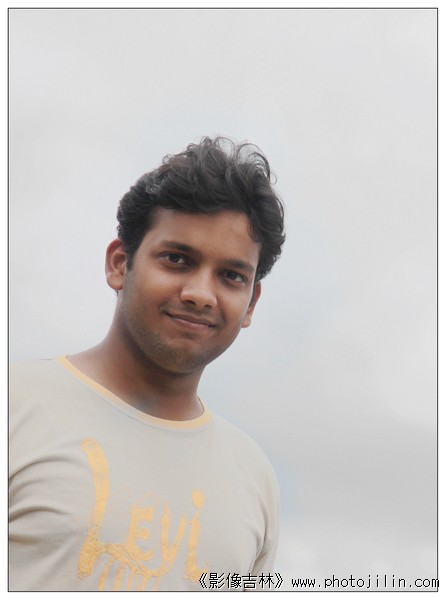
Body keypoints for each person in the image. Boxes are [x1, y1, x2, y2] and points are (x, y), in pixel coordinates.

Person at [9, 136, 286, 591]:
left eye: (231, 276)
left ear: (251, 302)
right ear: (120, 264)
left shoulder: (253, 477)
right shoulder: (16, 407)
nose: (200, 294)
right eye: (177, 259)